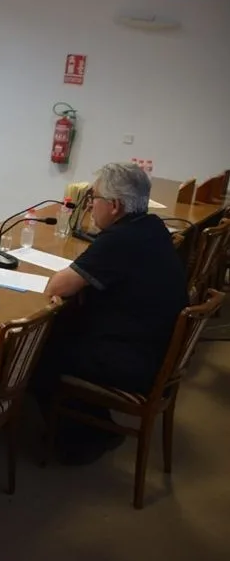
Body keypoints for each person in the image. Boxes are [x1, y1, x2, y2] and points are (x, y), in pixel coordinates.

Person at [32, 162, 189, 464]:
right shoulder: (151, 227)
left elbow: (58, 285)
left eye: (94, 198)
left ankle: (80, 441)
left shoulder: (120, 240)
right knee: (65, 326)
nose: (90, 204)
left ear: (114, 206)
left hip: (134, 361)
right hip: (155, 348)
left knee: (39, 350)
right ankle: (91, 425)